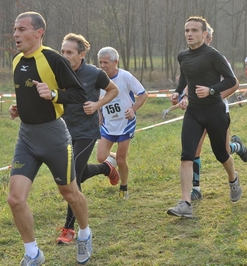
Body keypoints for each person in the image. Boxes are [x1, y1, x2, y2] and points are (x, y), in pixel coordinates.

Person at [8, 11, 92, 265]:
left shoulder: (54, 59)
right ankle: (33, 253)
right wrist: (19, 108)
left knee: (69, 193)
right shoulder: (16, 61)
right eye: (15, 29)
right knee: (15, 199)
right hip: (27, 137)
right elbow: (27, 94)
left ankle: (85, 234)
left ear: (38, 32)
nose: (16, 34)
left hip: (54, 136)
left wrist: (54, 94)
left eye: (22, 29)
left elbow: (79, 93)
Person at [166, 16, 241, 218]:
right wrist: (177, 92)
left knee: (221, 154)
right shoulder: (182, 56)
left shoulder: (213, 55)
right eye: (187, 30)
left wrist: (211, 90)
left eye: (194, 30)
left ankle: (233, 179)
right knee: (186, 155)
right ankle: (185, 203)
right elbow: (185, 78)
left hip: (214, 112)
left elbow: (232, 81)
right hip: (193, 112)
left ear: (204, 34)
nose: (190, 34)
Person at [56, 33, 120, 244]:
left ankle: (69, 228)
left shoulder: (94, 73)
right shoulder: (58, 72)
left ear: (81, 54)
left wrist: (96, 105)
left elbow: (113, 90)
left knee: (72, 176)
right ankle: (105, 168)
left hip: (86, 132)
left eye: (70, 52)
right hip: (63, 130)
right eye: (63, 51)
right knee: (78, 174)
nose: (65, 56)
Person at [189, 24, 247, 201]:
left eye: (203, 38)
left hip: (217, 110)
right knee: (195, 148)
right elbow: (188, 84)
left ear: (208, 38)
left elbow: (234, 84)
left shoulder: (218, 58)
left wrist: (214, 96)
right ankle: (196, 189)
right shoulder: (191, 59)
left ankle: (236, 148)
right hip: (197, 111)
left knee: (222, 152)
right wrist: (184, 96)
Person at [97, 46, 148, 200]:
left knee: (121, 160)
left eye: (106, 62)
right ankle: (112, 161)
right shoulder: (98, 78)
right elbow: (98, 99)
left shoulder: (125, 76)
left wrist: (133, 109)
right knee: (101, 157)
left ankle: (124, 187)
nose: (103, 66)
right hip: (108, 123)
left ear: (115, 62)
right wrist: (99, 114)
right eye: (100, 62)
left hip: (126, 123)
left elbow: (143, 94)